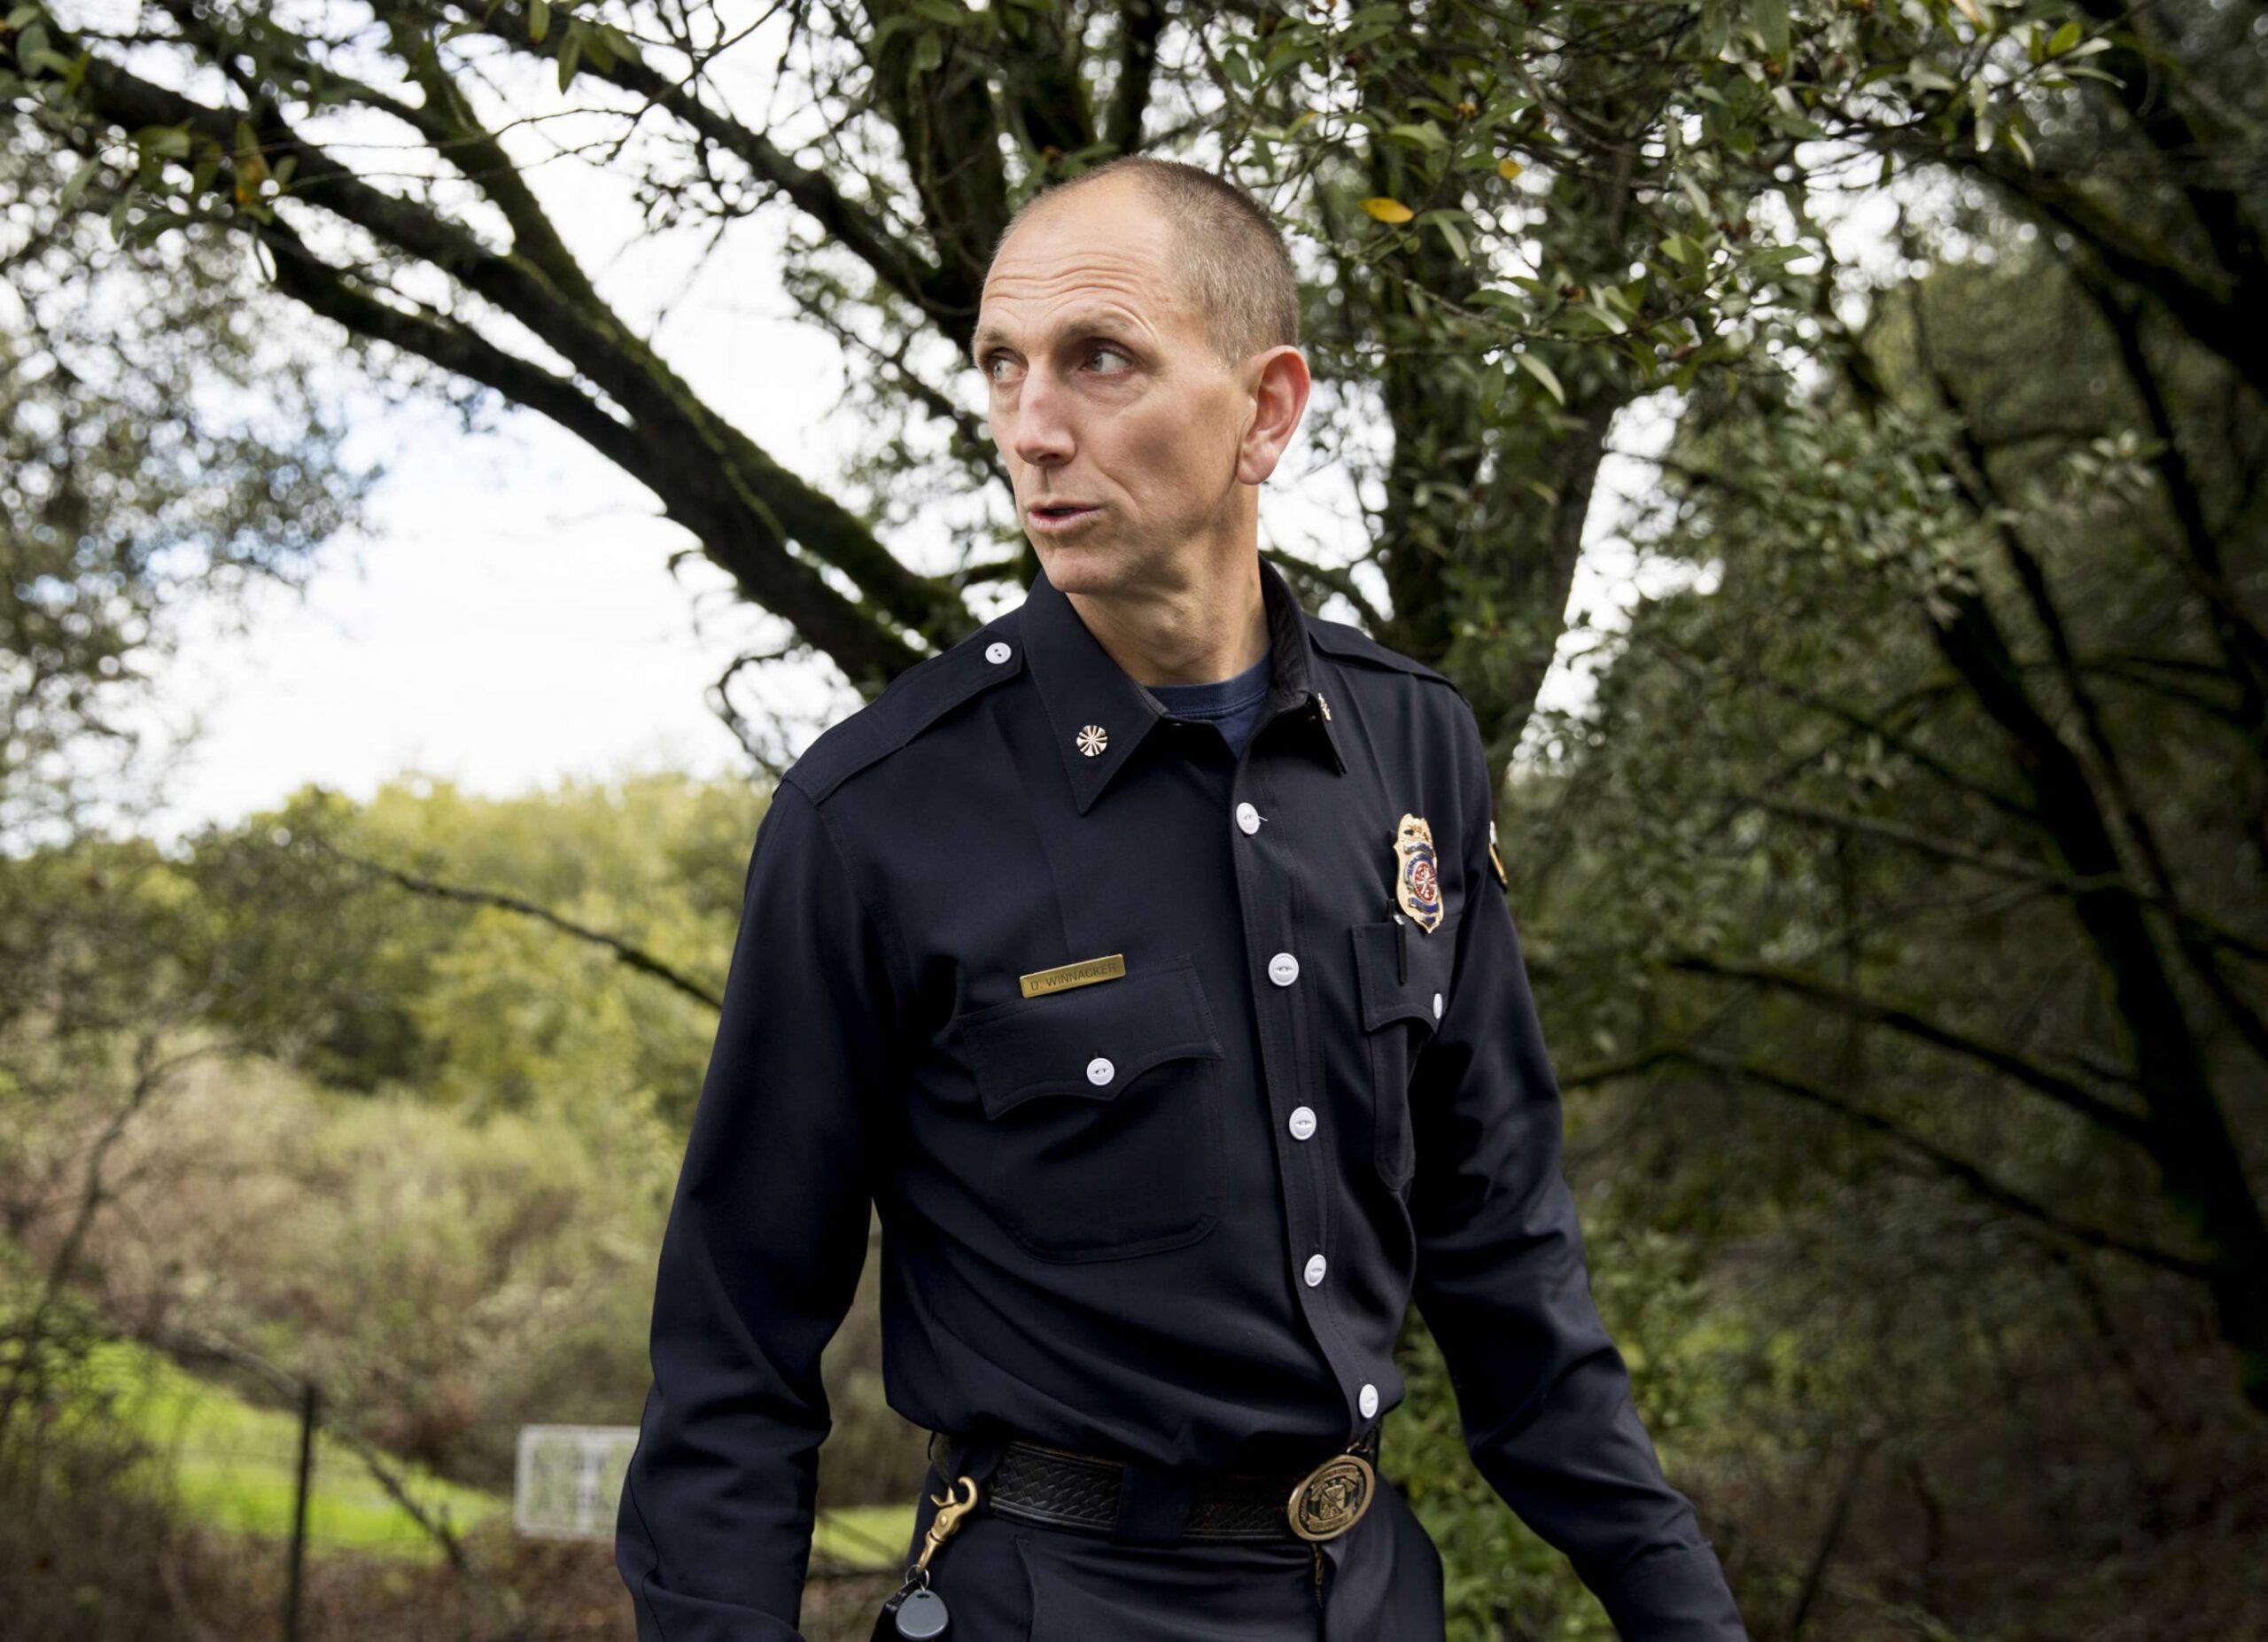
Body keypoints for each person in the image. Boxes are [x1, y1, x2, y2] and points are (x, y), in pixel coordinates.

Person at [613, 155, 1750, 1642]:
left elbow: (1503, 1243)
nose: (1032, 429)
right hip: (1051, 1602)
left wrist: (1683, 1610)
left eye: (1099, 361)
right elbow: (734, 1348)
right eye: (1002, 369)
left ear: (1266, 410)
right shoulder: (873, 817)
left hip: (1372, 1596)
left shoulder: (1411, 748)